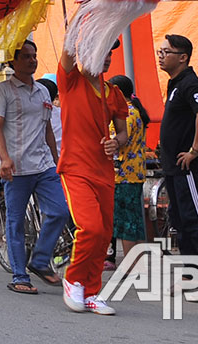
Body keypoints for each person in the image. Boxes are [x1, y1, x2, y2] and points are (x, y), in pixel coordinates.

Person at [0, 41, 66, 295]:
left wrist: (56, 160)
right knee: (15, 222)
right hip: (16, 168)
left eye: (34, 56)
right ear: (13, 62)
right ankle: (20, 275)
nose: (32, 61)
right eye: (26, 57)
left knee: (60, 212)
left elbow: (46, 129)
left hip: (44, 165)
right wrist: (4, 159)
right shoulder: (1, 91)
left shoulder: (43, 91)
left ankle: (40, 259)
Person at [56, 45, 127, 316]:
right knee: (91, 228)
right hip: (75, 168)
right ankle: (73, 279)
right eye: (102, 50)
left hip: (104, 171)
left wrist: (115, 143)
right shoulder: (70, 81)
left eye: (110, 52)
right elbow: (67, 49)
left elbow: (122, 134)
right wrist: (81, 13)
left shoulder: (114, 93)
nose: (106, 56)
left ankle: (91, 292)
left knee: (105, 235)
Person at [157, 33, 198, 263]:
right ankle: (194, 273)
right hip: (174, 168)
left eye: (166, 52)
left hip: (188, 168)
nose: (161, 57)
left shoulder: (189, 82)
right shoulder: (175, 84)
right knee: (180, 220)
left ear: (183, 57)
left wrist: (195, 150)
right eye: (160, 52)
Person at [107, 75, 149, 264]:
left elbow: (116, 141)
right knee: (135, 219)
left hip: (124, 174)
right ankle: (138, 262)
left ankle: (130, 265)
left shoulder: (127, 114)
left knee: (126, 222)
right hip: (134, 173)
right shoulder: (135, 111)